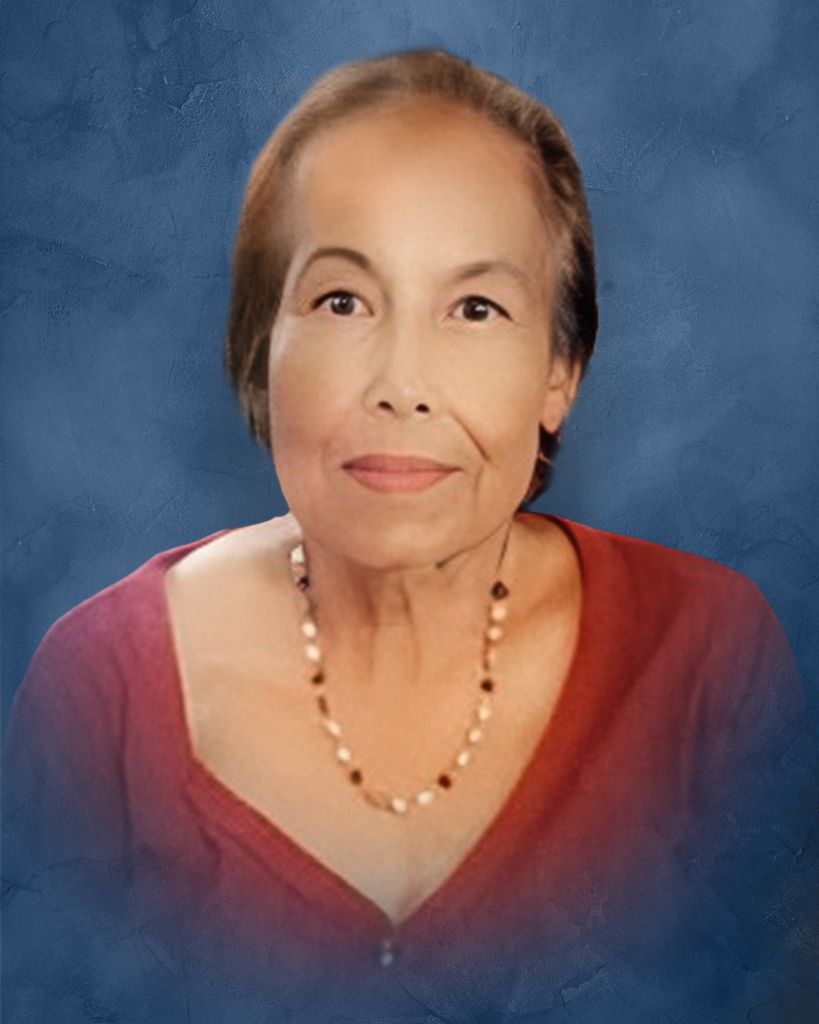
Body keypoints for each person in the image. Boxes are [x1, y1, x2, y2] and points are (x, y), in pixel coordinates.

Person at [3, 49, 815, 1023]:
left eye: (475, 308)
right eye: (342, 301)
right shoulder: (98, 693)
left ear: (559, 373)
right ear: (262, 353)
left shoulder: (708, 658)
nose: (401, 384)